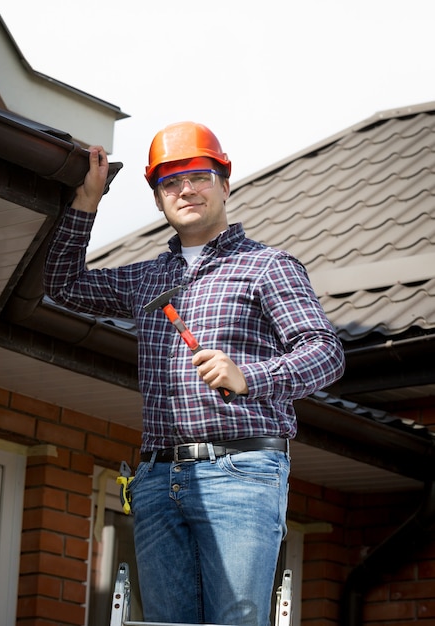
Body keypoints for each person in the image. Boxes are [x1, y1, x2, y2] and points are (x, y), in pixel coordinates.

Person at [44, 121, 345, 625]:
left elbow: (326, 353)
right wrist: (87, 204)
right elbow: (63, 283)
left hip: (242, 473)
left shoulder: (268, 267)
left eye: (199, 176)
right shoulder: (146, 278)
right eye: (169, 183)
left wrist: (249, 375)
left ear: (224, 184)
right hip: (159, 477)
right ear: (159, 199)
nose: (185, 189)